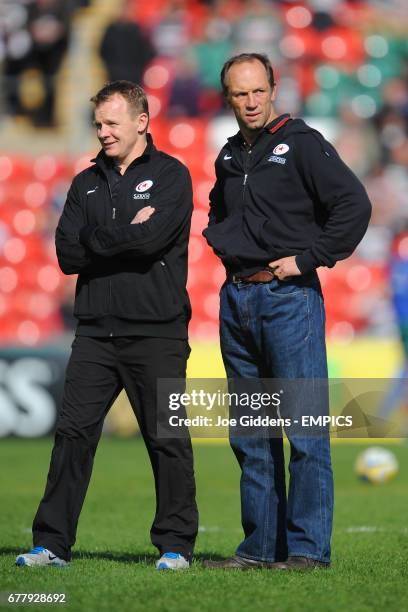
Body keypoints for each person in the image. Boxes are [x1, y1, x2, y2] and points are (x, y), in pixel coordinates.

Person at [16, 80, 198, 571]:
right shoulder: (84, 183)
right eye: (98, 124)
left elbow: (150, 243)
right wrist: (125, 233)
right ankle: (51, 545)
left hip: (157, 331)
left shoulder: (172, 176)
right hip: (95, 332)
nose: (103, 132)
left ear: (141, 121)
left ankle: (176, 546)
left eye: (111, 123)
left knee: (167, 439)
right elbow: (67, 254)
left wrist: (105, 238)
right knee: (72, 436)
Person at [202, 53, 372, 570]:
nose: (250, 102)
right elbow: (218, 210)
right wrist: (225, 245)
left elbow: (354, 206)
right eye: (239, 94)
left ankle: (307, 551)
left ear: (273, 89)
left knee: (304, 431)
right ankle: (258, 549)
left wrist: (308, 259)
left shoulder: (303, 144)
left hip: (288, 301)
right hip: (236, 301)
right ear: (227, 98)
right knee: (251, 434)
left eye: (258, 91)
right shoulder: (228, 156)